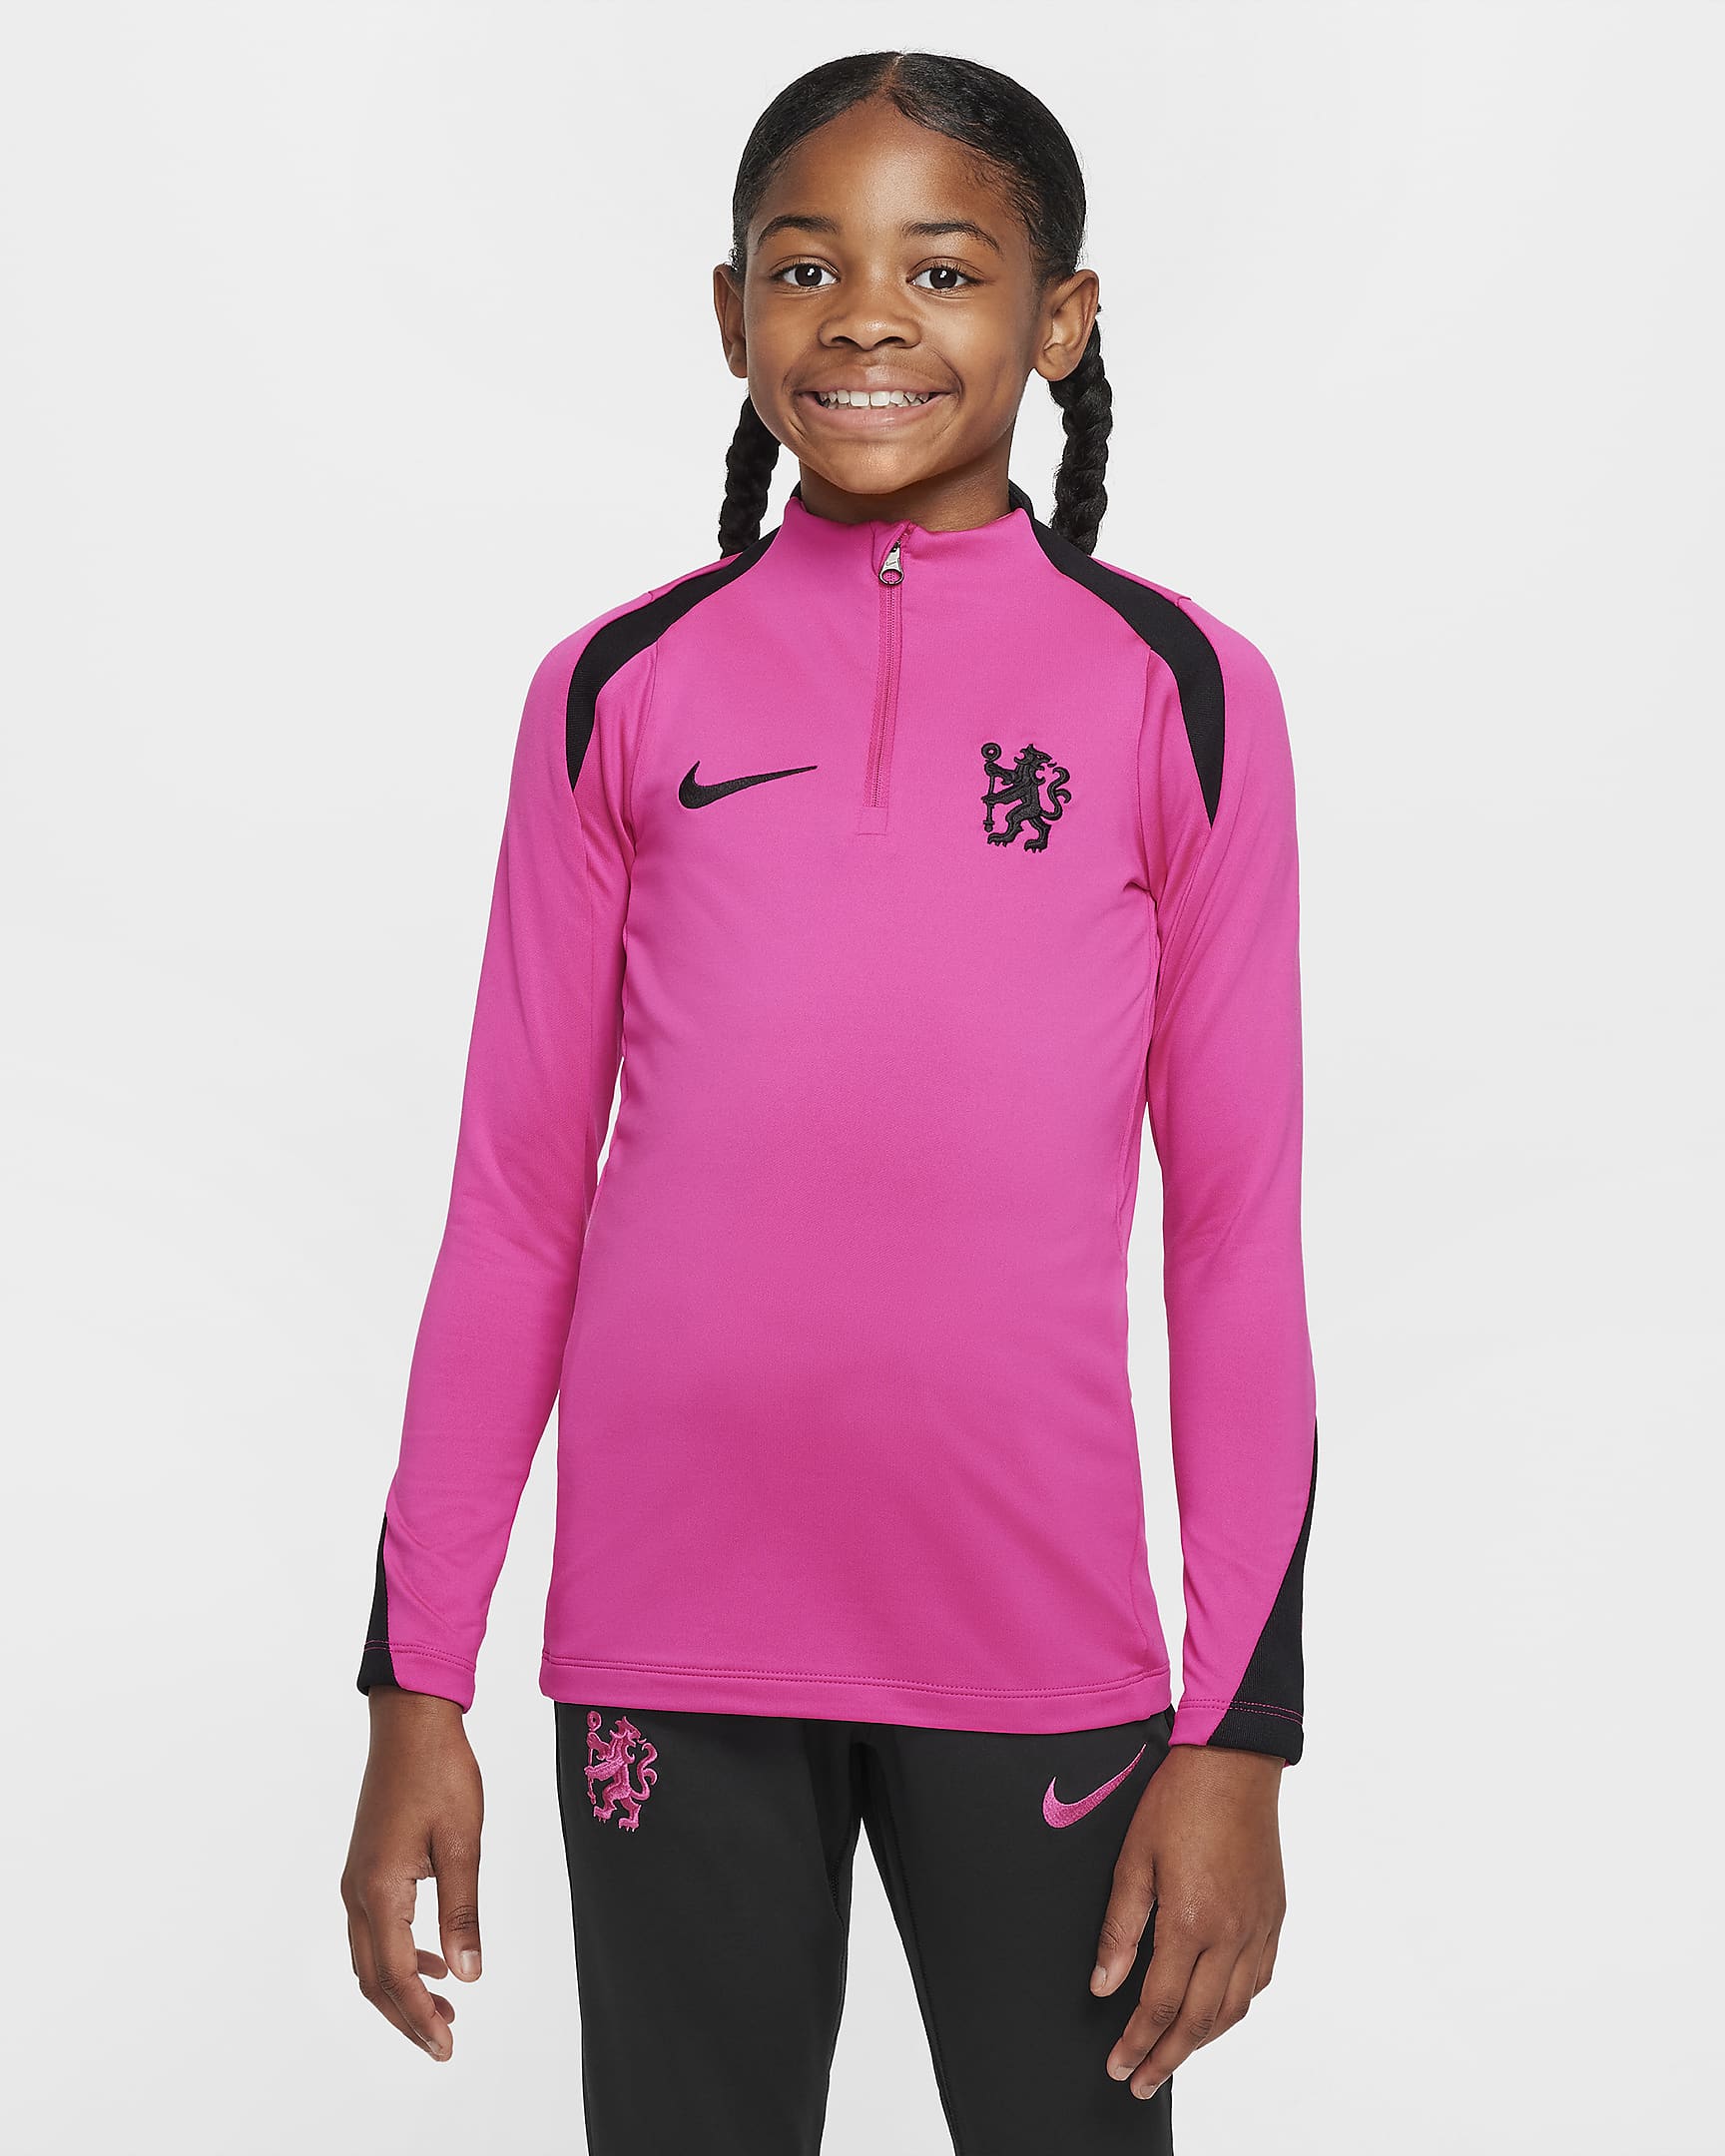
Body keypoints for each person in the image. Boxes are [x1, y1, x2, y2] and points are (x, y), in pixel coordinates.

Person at [341, 49, 1318, 2156]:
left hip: (1043, 1656)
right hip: (665, 1652)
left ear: (1060, 318)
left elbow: (1237, 1239)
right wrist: (419, 1680)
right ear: (731, 314)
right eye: (807, 267)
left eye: (943, 268)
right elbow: (513, 1207)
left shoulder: (1183, 696)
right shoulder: (617, 690)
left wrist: (1241, 1730)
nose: (869, 317)